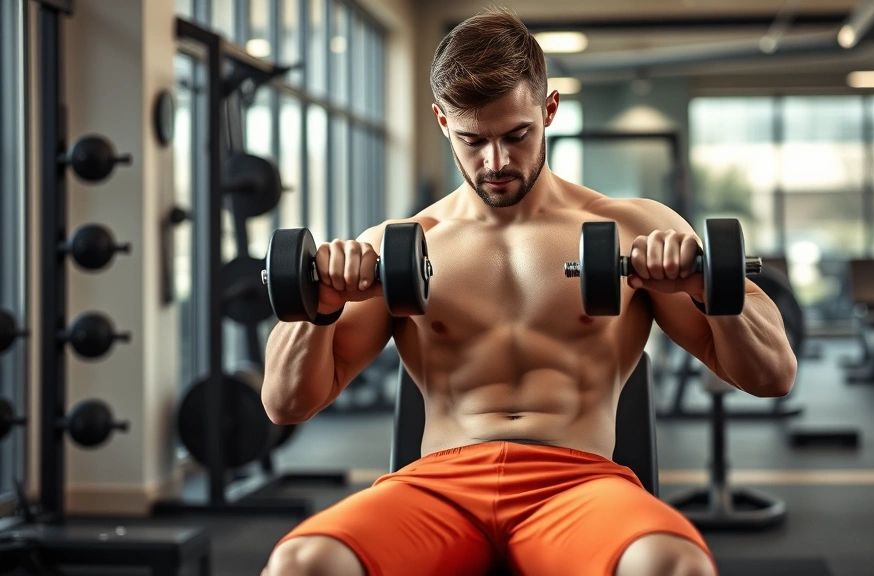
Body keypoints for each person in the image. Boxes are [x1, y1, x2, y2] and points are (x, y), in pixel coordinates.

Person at [261, 7, 796, 576]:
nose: (496, 162)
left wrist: (703, 287)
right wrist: (315, 311)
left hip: (577, 485)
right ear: (443, 123)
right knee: (302, 563)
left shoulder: (632, 228)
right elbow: (286, 404)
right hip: (439, 486)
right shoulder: (401, 244)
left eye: (516, 135)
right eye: (473, 140)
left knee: (673, 564)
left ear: (549, 110)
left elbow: (772, 377)